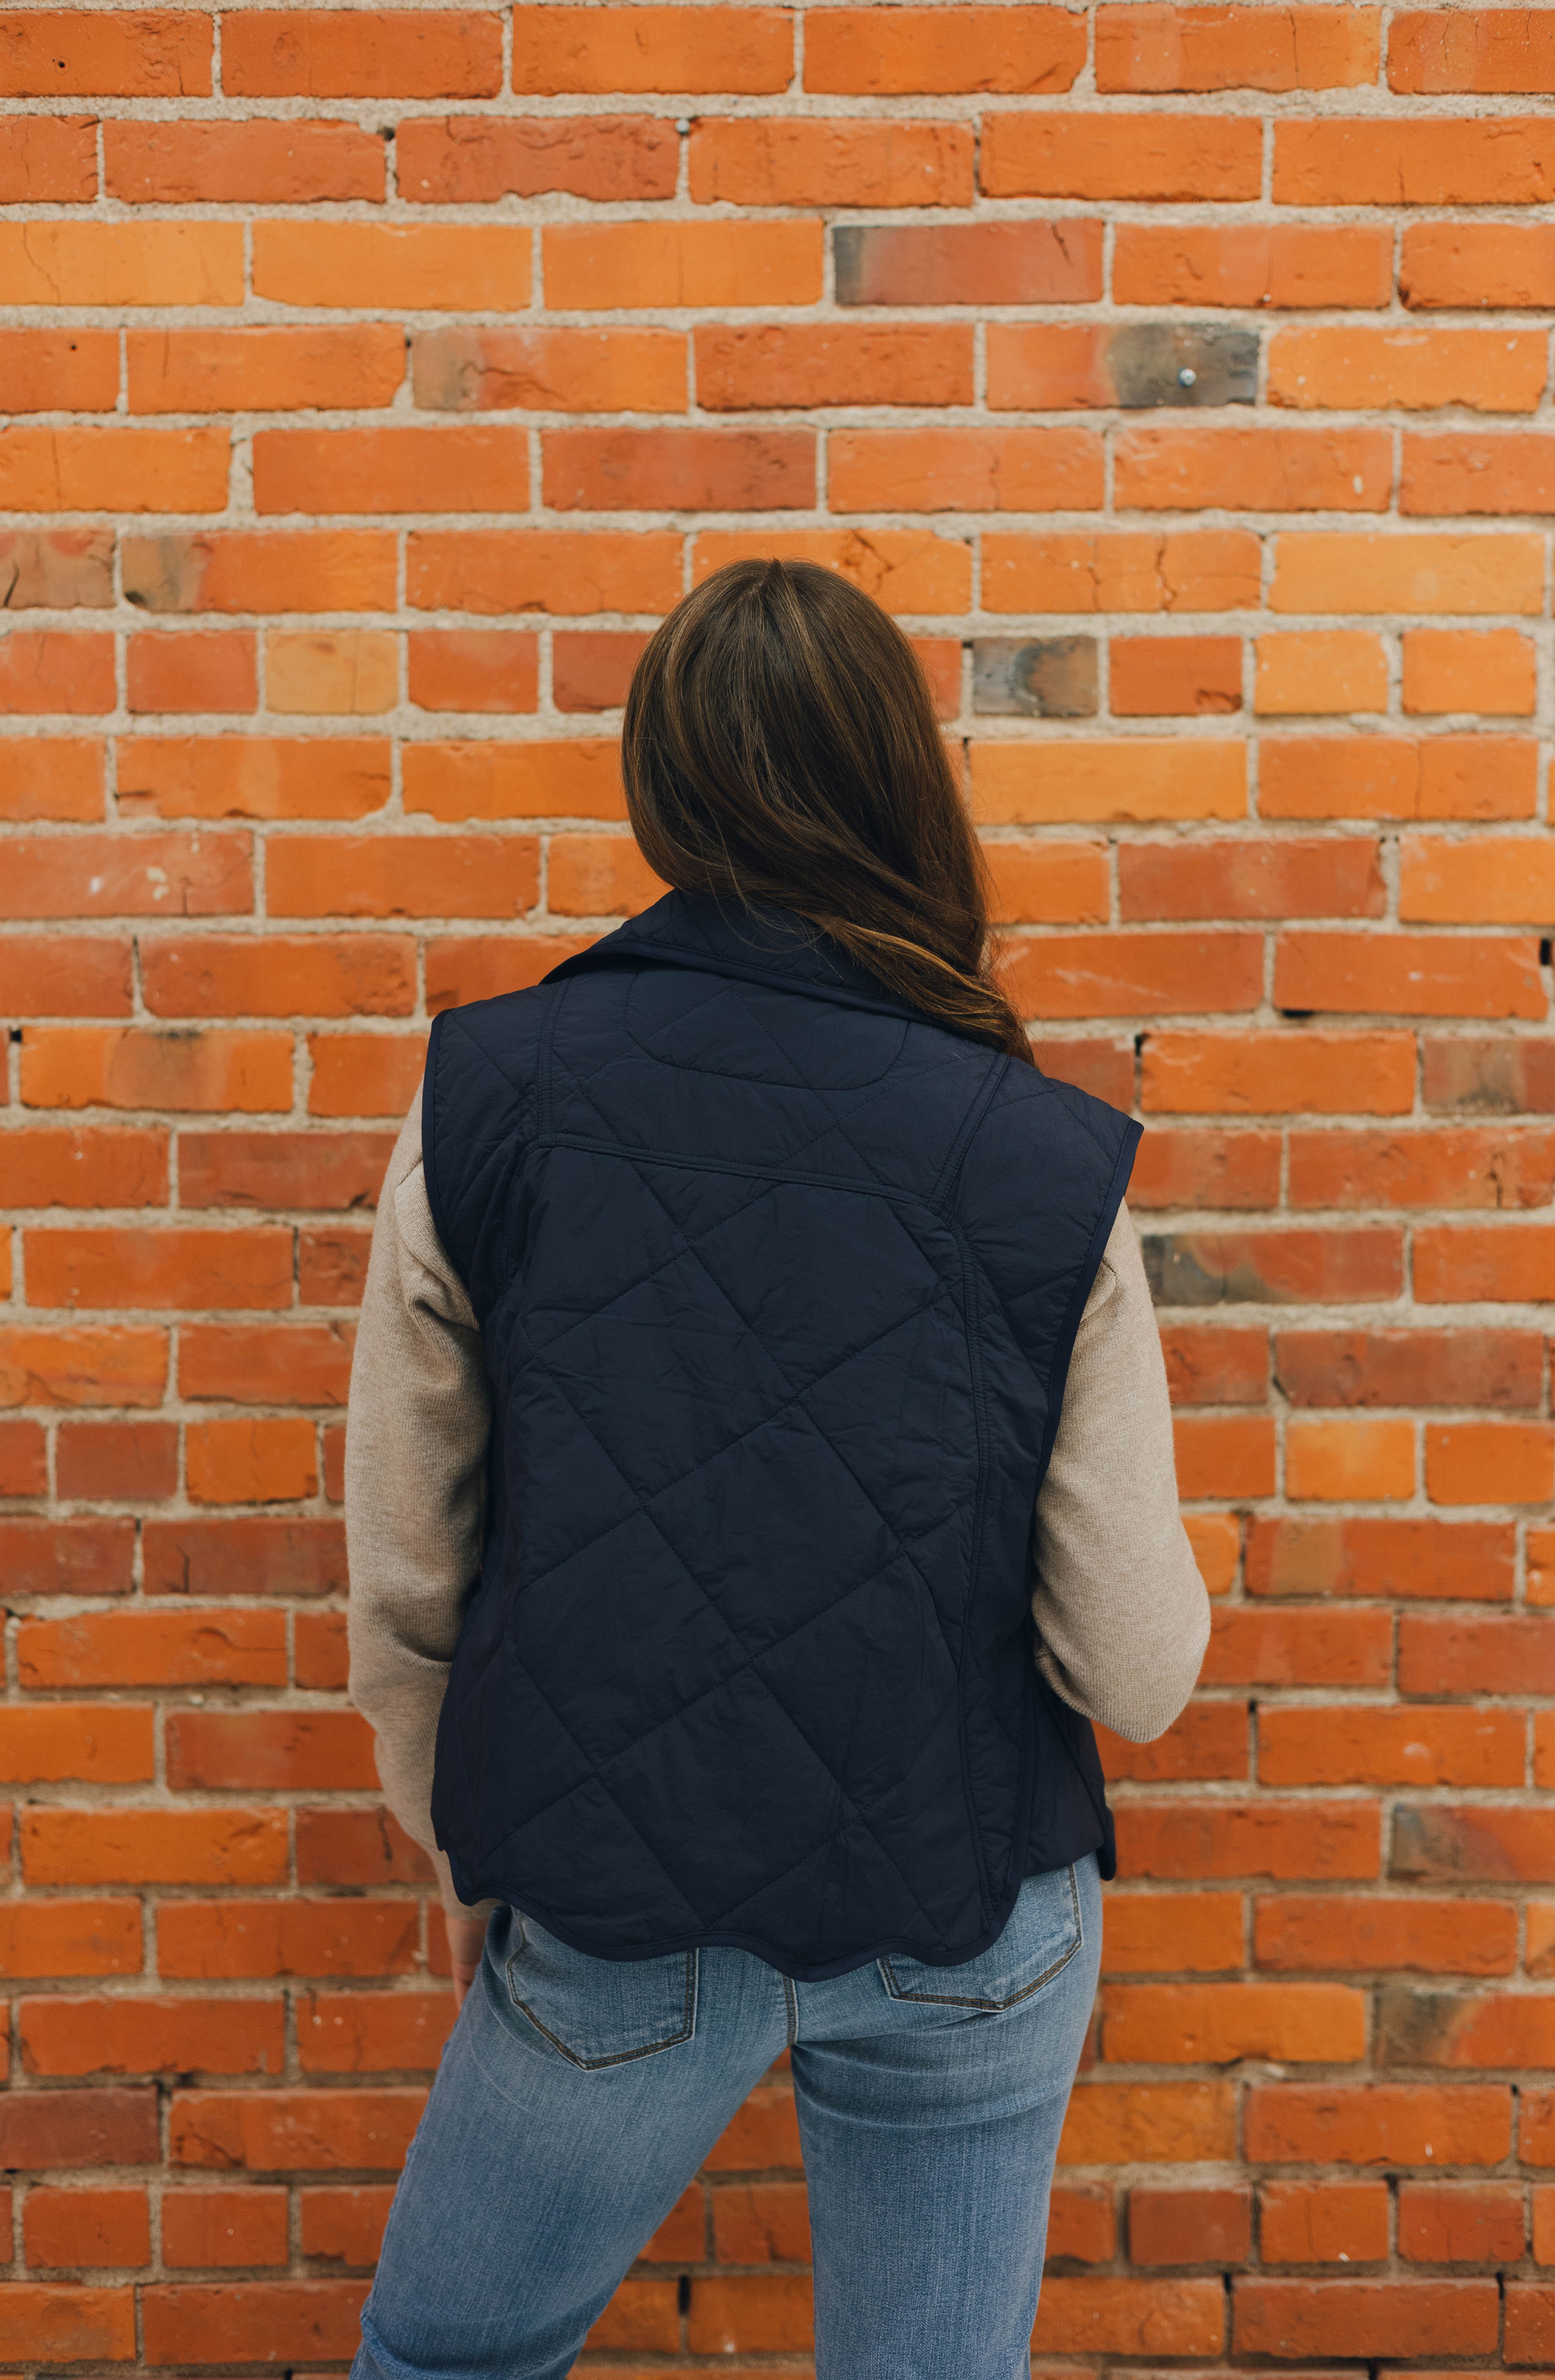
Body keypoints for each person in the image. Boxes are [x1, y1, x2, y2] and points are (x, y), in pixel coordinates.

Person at [345, 559, 1209, 2380]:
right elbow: (1133, 1663)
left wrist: (488, 1829)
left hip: (616, 1901)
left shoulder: (483, 1099)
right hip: (962, 1895)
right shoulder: (1044, 1156)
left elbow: (410, 1571)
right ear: (904, 777)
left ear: (660, 784)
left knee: (446, 2358)